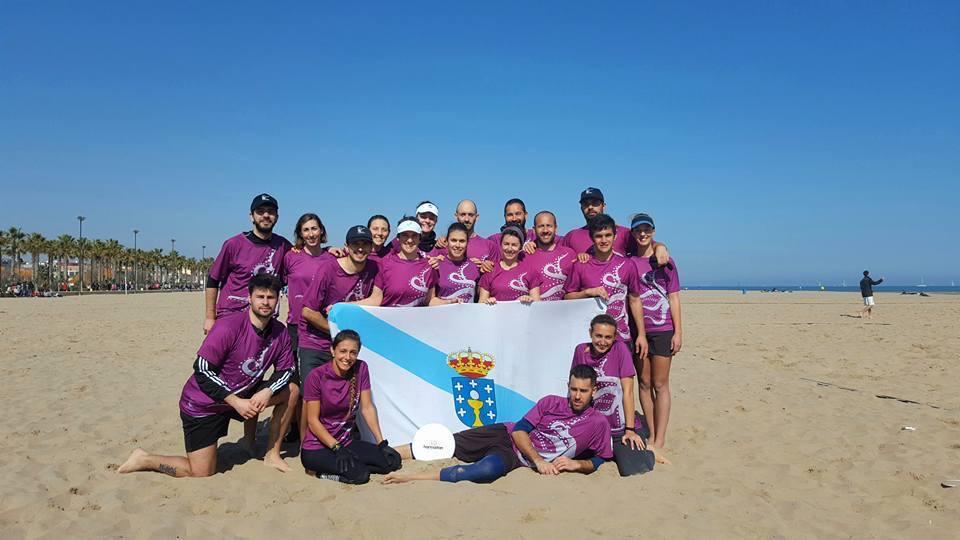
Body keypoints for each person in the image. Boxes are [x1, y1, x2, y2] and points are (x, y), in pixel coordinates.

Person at [119, 275, 299, 477]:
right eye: (260, 296)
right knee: (201, 472)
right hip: (204, 404)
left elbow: (287, 370)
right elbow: (202, 369)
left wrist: (267, 391)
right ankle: (145, 458)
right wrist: (236, 402)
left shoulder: (279, 332)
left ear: (278, 300)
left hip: (243, 393)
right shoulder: (228, 326)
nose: (265, 302)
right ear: (249, 298)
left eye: (270, 297)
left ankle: (271, 454)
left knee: (291, 390)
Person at [383, 365, 613, 484]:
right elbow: (521, 430)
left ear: (593, 391)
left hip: (512, 458)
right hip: (504, 433)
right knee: (444, 444)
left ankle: (412, 478)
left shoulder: (598, 423)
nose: (577, 396)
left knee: (485, 471)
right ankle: (382, 454)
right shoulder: (551, 402)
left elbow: (600, 457)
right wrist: (539, 461)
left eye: (583, 391)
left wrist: (578, 465)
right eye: (573, 389)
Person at [301, 330, 402, 484]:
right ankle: (320, 473)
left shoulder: (361, 368)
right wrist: (336, 447)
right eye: (343, 351)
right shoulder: (316, 377)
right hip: (318, 447)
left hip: (346, 441)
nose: (347, 357)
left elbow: (367, 408)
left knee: (392, 461)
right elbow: (313, 421)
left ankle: (354, 464)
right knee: (360, 476)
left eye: (353, 352)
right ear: (332, 350)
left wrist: (381, 442)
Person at [571, 314, 661, 475]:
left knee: (633, 469)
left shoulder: (620, 350)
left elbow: (627, 391)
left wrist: (630, 429)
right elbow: (576, 389)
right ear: (590, 333)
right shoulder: (580, 350)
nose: (602, 342)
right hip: (593, 425)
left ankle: (649, 452)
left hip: (619, 427)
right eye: (598, 336)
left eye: (608, 337)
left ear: (615, 338)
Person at [299, 226, 379, 402]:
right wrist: (336, 333)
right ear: (346, 246)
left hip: (349, 346)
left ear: (371, 247)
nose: (360, 248)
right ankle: (303, 430)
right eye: (355, 244)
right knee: (311, 397)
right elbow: (308, 311)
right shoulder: (328, 269)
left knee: (343, 396)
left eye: (365, 244)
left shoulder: (374, 268)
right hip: (317, 341)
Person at [629, 213, 682, 450]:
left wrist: (678, 332)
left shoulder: (666, 261)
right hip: (639, 330)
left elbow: (674, 297)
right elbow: (633, 297)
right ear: (632, 233)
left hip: (663, 329)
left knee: (660, 384)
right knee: (644, 382)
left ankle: (659, 439)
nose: (642, 234)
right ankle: (651, 431)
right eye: (638, 230)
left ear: (653, 231)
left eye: (647, 230)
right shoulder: (630, 262)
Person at [204, 193, 292, 334]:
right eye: (260, 212)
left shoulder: (283, 246)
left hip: (265, 319)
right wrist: (209, 317)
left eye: (270, 212)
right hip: (231, 315)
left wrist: (327, 249)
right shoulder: (233, 244)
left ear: (277, 217)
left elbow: (305, 255)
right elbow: (213, 280)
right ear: (251, 216)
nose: (265, 215)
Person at [563, 214, 647, 357]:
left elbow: (634, 300)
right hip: (589, 339)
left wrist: (641, 334)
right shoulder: (580, 266)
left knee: (623, 379)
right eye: (599, 236)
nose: (604, 240)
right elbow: (567, 298)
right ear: (592, 238)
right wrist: (587, 292)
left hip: (621, 337)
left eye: (608, 235)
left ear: (615, 236)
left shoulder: (627, 265)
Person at [282, 213, 336, 361]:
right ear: (300, 233)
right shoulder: (290, 257)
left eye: (314, 229)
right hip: (296, 325)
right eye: (306, 230)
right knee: (297, 374)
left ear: (322, 231)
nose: (311, 234)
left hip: (322, 324)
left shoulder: (333, 258)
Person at [361, 218, 440, 307]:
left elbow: (430, 300)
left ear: (419, 239)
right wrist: (344, 305)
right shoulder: (384, 264)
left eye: (414, 235)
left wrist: (452, 302)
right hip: (388, 320)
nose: (410, 240)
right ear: (398, 238)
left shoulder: (429, 266)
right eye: (405, 235)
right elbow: (375, 299)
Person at [522, 211, 577, 301]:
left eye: (549, 226)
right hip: (534, 312)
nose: (545, 230)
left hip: (564, 312)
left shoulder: (570, 254)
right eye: (541, 226)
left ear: (556, 228)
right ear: (534, 230)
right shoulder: (525, 256)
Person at [477, 225, 541, 304]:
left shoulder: (530, 271)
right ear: (500, 245)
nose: (509, 249)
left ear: (520, 247)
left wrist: (529, 299)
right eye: (506, 244)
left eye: (514, 245)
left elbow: (537, 303)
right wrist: (487, 302)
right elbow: (481, 303)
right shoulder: (490, 270)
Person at [433, 223, 480, 303]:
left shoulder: (475, 266)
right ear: (447, 241)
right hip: (443, 314)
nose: (457, 245)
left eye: (462, 241)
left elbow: (481, 298)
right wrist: (450, 302)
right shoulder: (437, 265)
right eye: (453, 240)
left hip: (468, 315)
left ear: (467, 243)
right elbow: (430, 301)